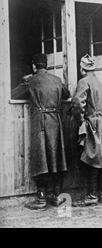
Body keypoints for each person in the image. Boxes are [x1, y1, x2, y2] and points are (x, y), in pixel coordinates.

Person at [12, 53, 70, 209]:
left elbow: (13, 94)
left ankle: (41, 198)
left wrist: (24, 80)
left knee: (41, 158)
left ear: (34, 66)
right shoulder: (57, 80)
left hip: (40, 122)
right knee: (57, 157)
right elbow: (67, 94)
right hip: (56, 121)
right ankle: (57, 196)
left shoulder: (31, 81)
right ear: (47, 65)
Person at [72, 54, 102, 205]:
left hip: (91, 124)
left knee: (91, 159)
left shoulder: (83, 82)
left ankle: (91, 195)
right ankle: (100, 193)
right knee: (99, 157)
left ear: (82, 69)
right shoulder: (101, 84)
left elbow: (77, 104)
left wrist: (81, 121)